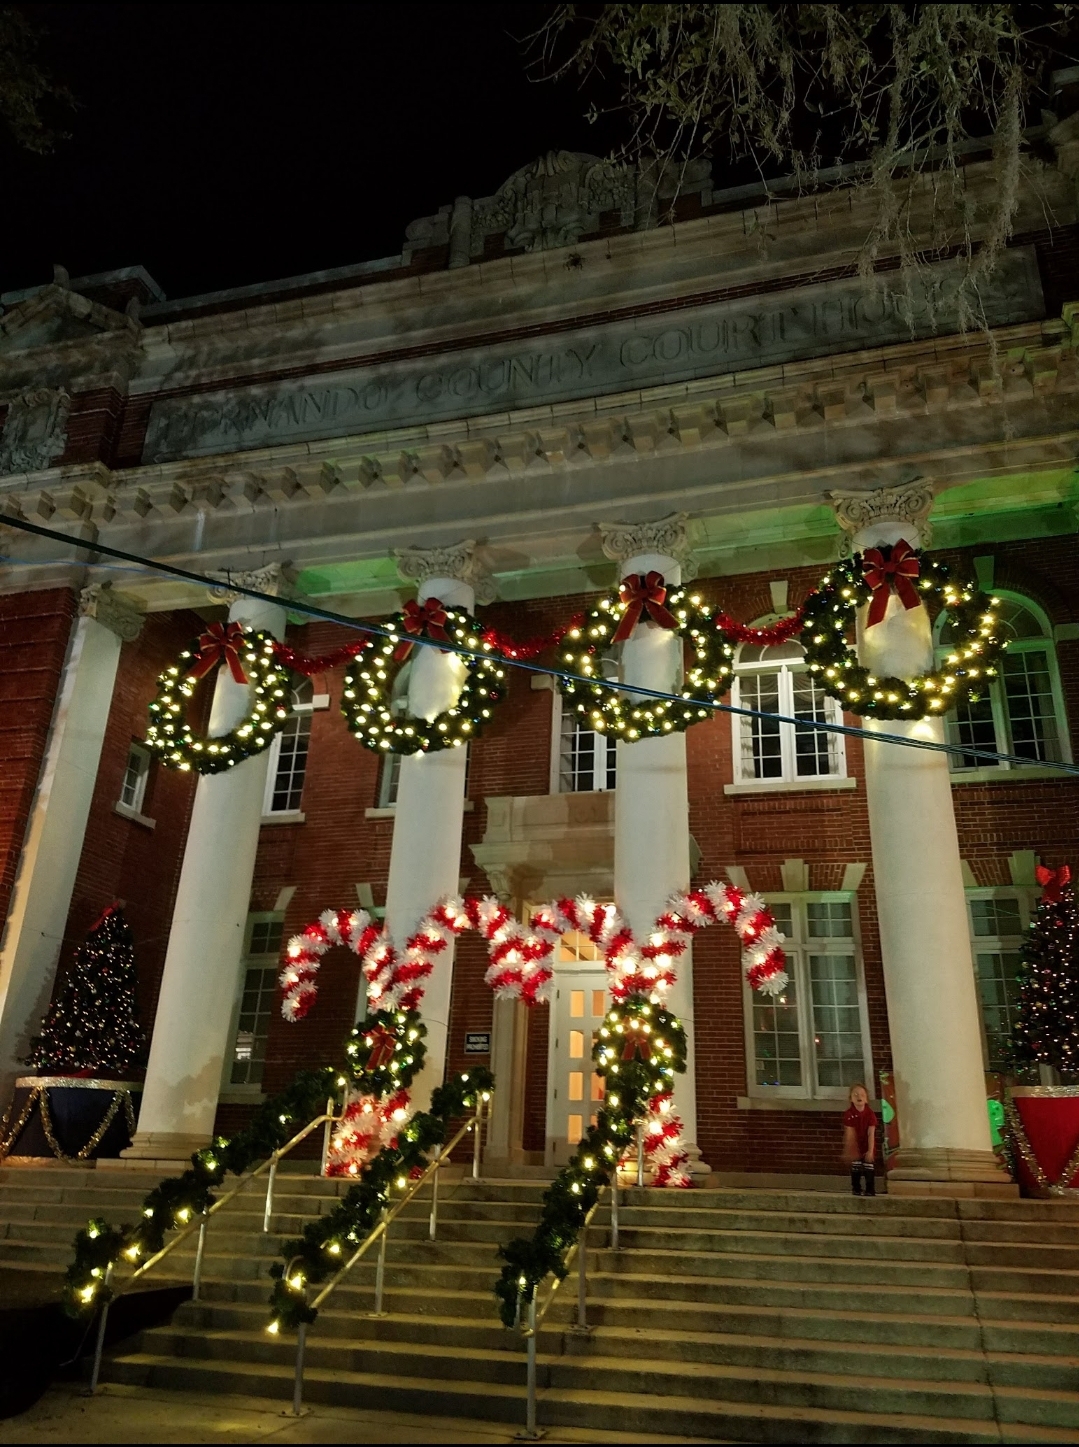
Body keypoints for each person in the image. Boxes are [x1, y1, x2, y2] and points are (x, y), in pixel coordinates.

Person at [843, 1082, 877, 1196]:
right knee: (856, 1166)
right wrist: (851, 1149)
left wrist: (870, 1150)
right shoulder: (849, 1114)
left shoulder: (870, 1114)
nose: (859, 1097)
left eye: (862, 1094)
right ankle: (856, 1188)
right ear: (851, 1098)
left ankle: (870, 1189)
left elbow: (871, 1133)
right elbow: (850, 1132)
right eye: (856, 1094)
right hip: (856, 1144)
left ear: (867, 1099)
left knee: (869, 1166)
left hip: (867, 1143)